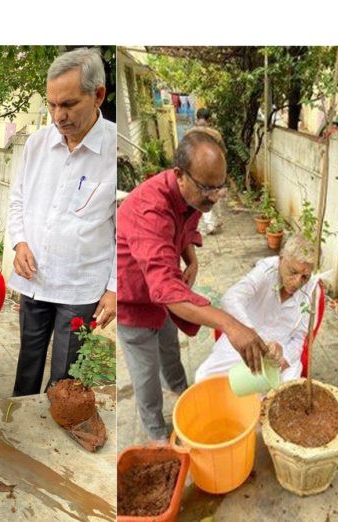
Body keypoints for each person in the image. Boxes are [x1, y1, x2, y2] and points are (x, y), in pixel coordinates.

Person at [117, 127, 268, 441]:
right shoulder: (151, 209)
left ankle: (183, 396)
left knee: (171, 351)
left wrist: (192, 260)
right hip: (132, 300)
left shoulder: (193, 193)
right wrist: (230, 324)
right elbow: (164, 288)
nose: (214, 197)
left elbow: (185, 225)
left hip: (165, 296)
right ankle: (157, 434)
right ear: (179, 175)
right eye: (207, 189)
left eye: (220, 188)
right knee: (145, 377)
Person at [8, 47, 116, 396]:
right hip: (34, 278)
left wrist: (115, 289)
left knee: (65, 377)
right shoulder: (37, 144)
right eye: (52, 105)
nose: (58, 115)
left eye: (68, 104)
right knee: (28, 363)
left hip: (81, 286)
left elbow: (127, 231)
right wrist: (19, 241)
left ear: (98, 95)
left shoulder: (117, 151)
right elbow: (18, 199)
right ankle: (18, 423)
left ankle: (56, 429)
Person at [195, 234, 319, 383]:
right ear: (281, 259)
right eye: (293, 272)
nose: (297, 282)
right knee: (204, 378)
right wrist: (251, 334)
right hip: (246, 338)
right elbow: (230, 298)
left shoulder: (312, 290)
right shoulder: (266, 270)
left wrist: (284, 355)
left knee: (285, 395)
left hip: (280, 351)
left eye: (305, 276)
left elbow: (300, 337)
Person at [194, 109, 224, 234]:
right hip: (213, 168)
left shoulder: (189, 134)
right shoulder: (215, 134)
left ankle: (212, 223)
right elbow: (223, 151)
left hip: (196, 168)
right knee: (213, 192)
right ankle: (214, 222)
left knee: (203, 194)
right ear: (209, 119)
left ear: (197, 118)